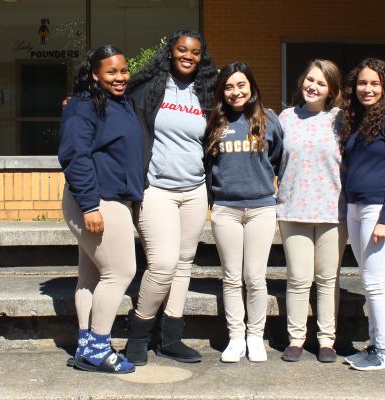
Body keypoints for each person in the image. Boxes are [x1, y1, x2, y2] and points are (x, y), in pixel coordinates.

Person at [123, 30, 217, 365]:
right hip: (156, 190)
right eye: (182, 49)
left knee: (183, 263)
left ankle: (171, 338)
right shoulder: (149, 88)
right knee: (162, 264)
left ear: (201, 56)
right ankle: (138, 334)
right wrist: (76, 101)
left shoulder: (207, 93)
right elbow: (113, 99)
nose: (188, 56)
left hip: (194, 191)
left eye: (195, 52)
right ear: (171, 52)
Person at [58, 45, 143, 374]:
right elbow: (75, 156)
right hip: (98, 200)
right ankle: (97, 346)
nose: (120, 77)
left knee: (92, 275)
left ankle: (84, 343)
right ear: (95, 74)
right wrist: (90, 206)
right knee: (121, 272)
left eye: (124, 70)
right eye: (111, 72)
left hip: (109, 196)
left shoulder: (120, 102)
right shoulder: (82, 106)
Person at [204, 61, 283, 363]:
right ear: (221, 91)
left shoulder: (268, 120)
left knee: (255, 276)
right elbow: (208, 163)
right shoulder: (215, 121)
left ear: (251, 87)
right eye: (228, 87)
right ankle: (236, 337)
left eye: (241, 85)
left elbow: (276, 159)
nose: (235, 92)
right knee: (232, 276)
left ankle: (255, 336)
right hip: (226, 210)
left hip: (262, 208)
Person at [340, 58, 385, 371]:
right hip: (357, 210)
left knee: (375, 283)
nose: (367, 89)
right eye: (362, 83)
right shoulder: (358, 120)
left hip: (379, 211)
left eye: (374, 84)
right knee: (369, 281)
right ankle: (374, 346)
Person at [276, 60, 347, 363]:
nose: (312, 86)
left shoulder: (342, 120)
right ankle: (295, 339)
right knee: (298, 278)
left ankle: (327, 340)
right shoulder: (285, 118)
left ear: (331, 89)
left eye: (320, 82)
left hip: (333, 210)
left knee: (328, 278)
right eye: (309, 79)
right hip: (293, 208)